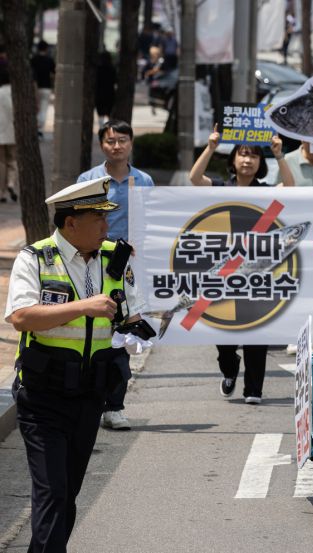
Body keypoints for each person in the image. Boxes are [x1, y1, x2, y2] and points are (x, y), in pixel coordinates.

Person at [5, 177, 146, 552]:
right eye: (98, 218)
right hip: (43, 397)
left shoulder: (114, 257)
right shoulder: (35, 257)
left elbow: (127, 312)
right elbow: (21, 317)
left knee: (67, 495)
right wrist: (84, 306)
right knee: (52, 493)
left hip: (90, 396)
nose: (106, 227)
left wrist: (137, 328)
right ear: (72, 223)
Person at [189, 126, 293, 403]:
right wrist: (210, 147)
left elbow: (292, 188)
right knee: (224, 336)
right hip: (224, 272)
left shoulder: (266, 192)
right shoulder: (221, 188)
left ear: (261, 164)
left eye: (254, 156)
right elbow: (194, 178)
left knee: (257, 330)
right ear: (233, 159)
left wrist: (279, 156)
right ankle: (230, 368)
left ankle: (254, 390)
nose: (247, 160)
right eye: (242, 154)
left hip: (257, 273)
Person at [78, 120, 155, 430]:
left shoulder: (144, 180)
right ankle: (92, 401)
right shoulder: (89, 179)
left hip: (131, 270)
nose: (117, 146)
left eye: (122, 140)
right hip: (94, 262)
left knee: (124, 335)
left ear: (131, 143)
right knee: (96, 333)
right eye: (111, 141)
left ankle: (116, 407)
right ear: (102, 145)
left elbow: (152, 219)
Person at [0, 61, 18, 203]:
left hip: (0, 133)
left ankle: (2, 193)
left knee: (1, 162)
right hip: (13, 132)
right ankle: (11, 183)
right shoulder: (16, 94)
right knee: (12, 161)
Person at [30, 40, 55, 136]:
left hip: (34, 87)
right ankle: (39, 129)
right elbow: (54, 73)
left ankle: (35, 128)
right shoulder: (49, 60)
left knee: (35, 108)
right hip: (46, 87)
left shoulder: (33, 60)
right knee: (43, 109)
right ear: (46, 48)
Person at [95, 51, 117, 126]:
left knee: (100, 114)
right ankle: (109, 128)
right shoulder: (112, 69)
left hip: (99, 94)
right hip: (110, 93)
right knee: (109, 113)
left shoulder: (98, 69)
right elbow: (115, 81)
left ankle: (102, 129)